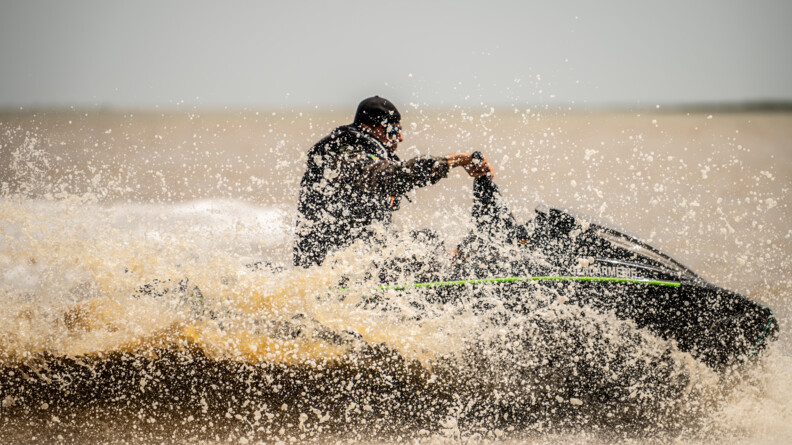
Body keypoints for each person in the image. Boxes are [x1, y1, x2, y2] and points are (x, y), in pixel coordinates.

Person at [293, 96, 493, 268]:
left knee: (425, 240)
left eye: (400, 130)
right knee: (422, 249)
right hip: (333, 267)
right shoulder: (346, 154)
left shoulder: (364, 151)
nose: (400, 138)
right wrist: (454, 161)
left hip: (357, 255)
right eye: (393, 131)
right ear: (368, 129)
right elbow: (387, 177)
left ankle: (455, 259)